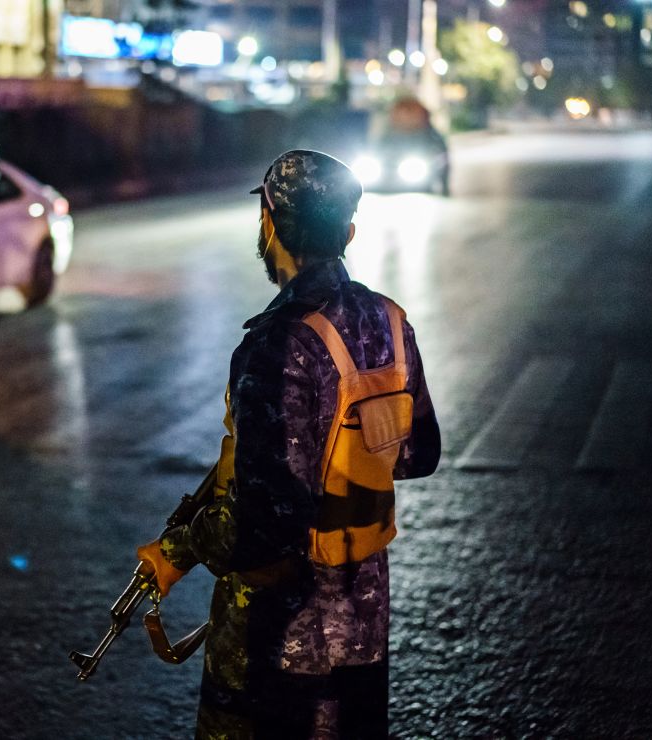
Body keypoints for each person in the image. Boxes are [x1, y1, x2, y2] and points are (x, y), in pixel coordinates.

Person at [137, 150, 441, 738]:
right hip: (363, 627)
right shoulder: (389, 320)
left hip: (277, 647)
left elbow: (262, 521)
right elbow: (417, 453)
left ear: (269, 224)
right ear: (347, 232)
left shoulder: (277, 344)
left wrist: (177, 552)